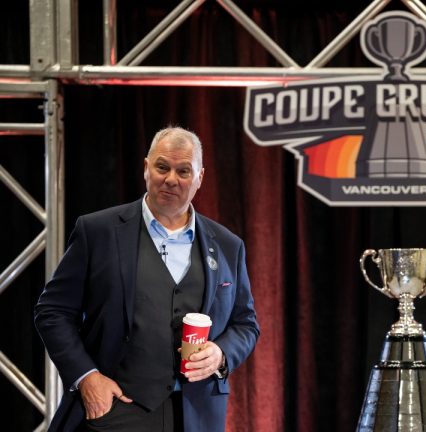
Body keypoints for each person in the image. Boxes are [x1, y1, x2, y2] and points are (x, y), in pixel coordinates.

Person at [34, 126, 260, 432]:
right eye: (162, 167)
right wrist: (87, 377)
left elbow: (245, 323)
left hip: (196, 415)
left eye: (183, 171)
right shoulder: (98, 231)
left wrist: (222, 354)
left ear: (200, 178)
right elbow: (52, 311)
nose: (170, 179)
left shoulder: (228, 245)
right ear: (146, 168)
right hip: (115, 410)